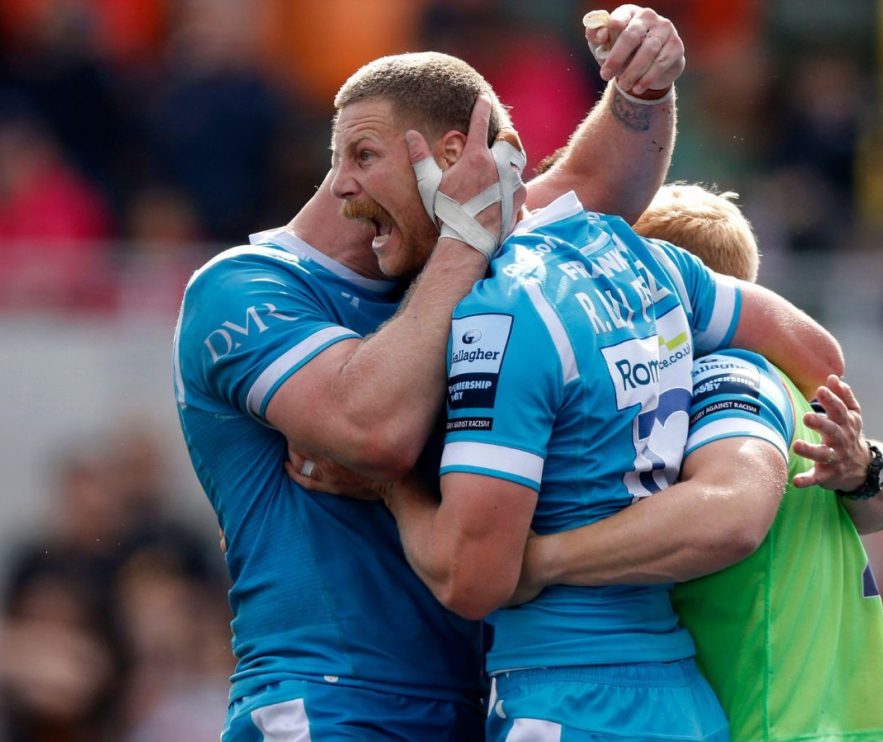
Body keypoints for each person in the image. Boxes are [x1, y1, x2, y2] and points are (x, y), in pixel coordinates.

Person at [175, 8, 840, 740]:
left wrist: (642, 88)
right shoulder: (242, 290)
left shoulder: (468, 267)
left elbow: (591, 184)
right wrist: (466, 239)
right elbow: (373, 429)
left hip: (482, 695)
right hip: (333, 699)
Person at [509, 184, 883, 741]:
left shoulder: (720, 375)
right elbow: (875, 510)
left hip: (768, 723)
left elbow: (731, 514)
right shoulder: (787, 389)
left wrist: (539, 561)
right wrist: (872, 469)